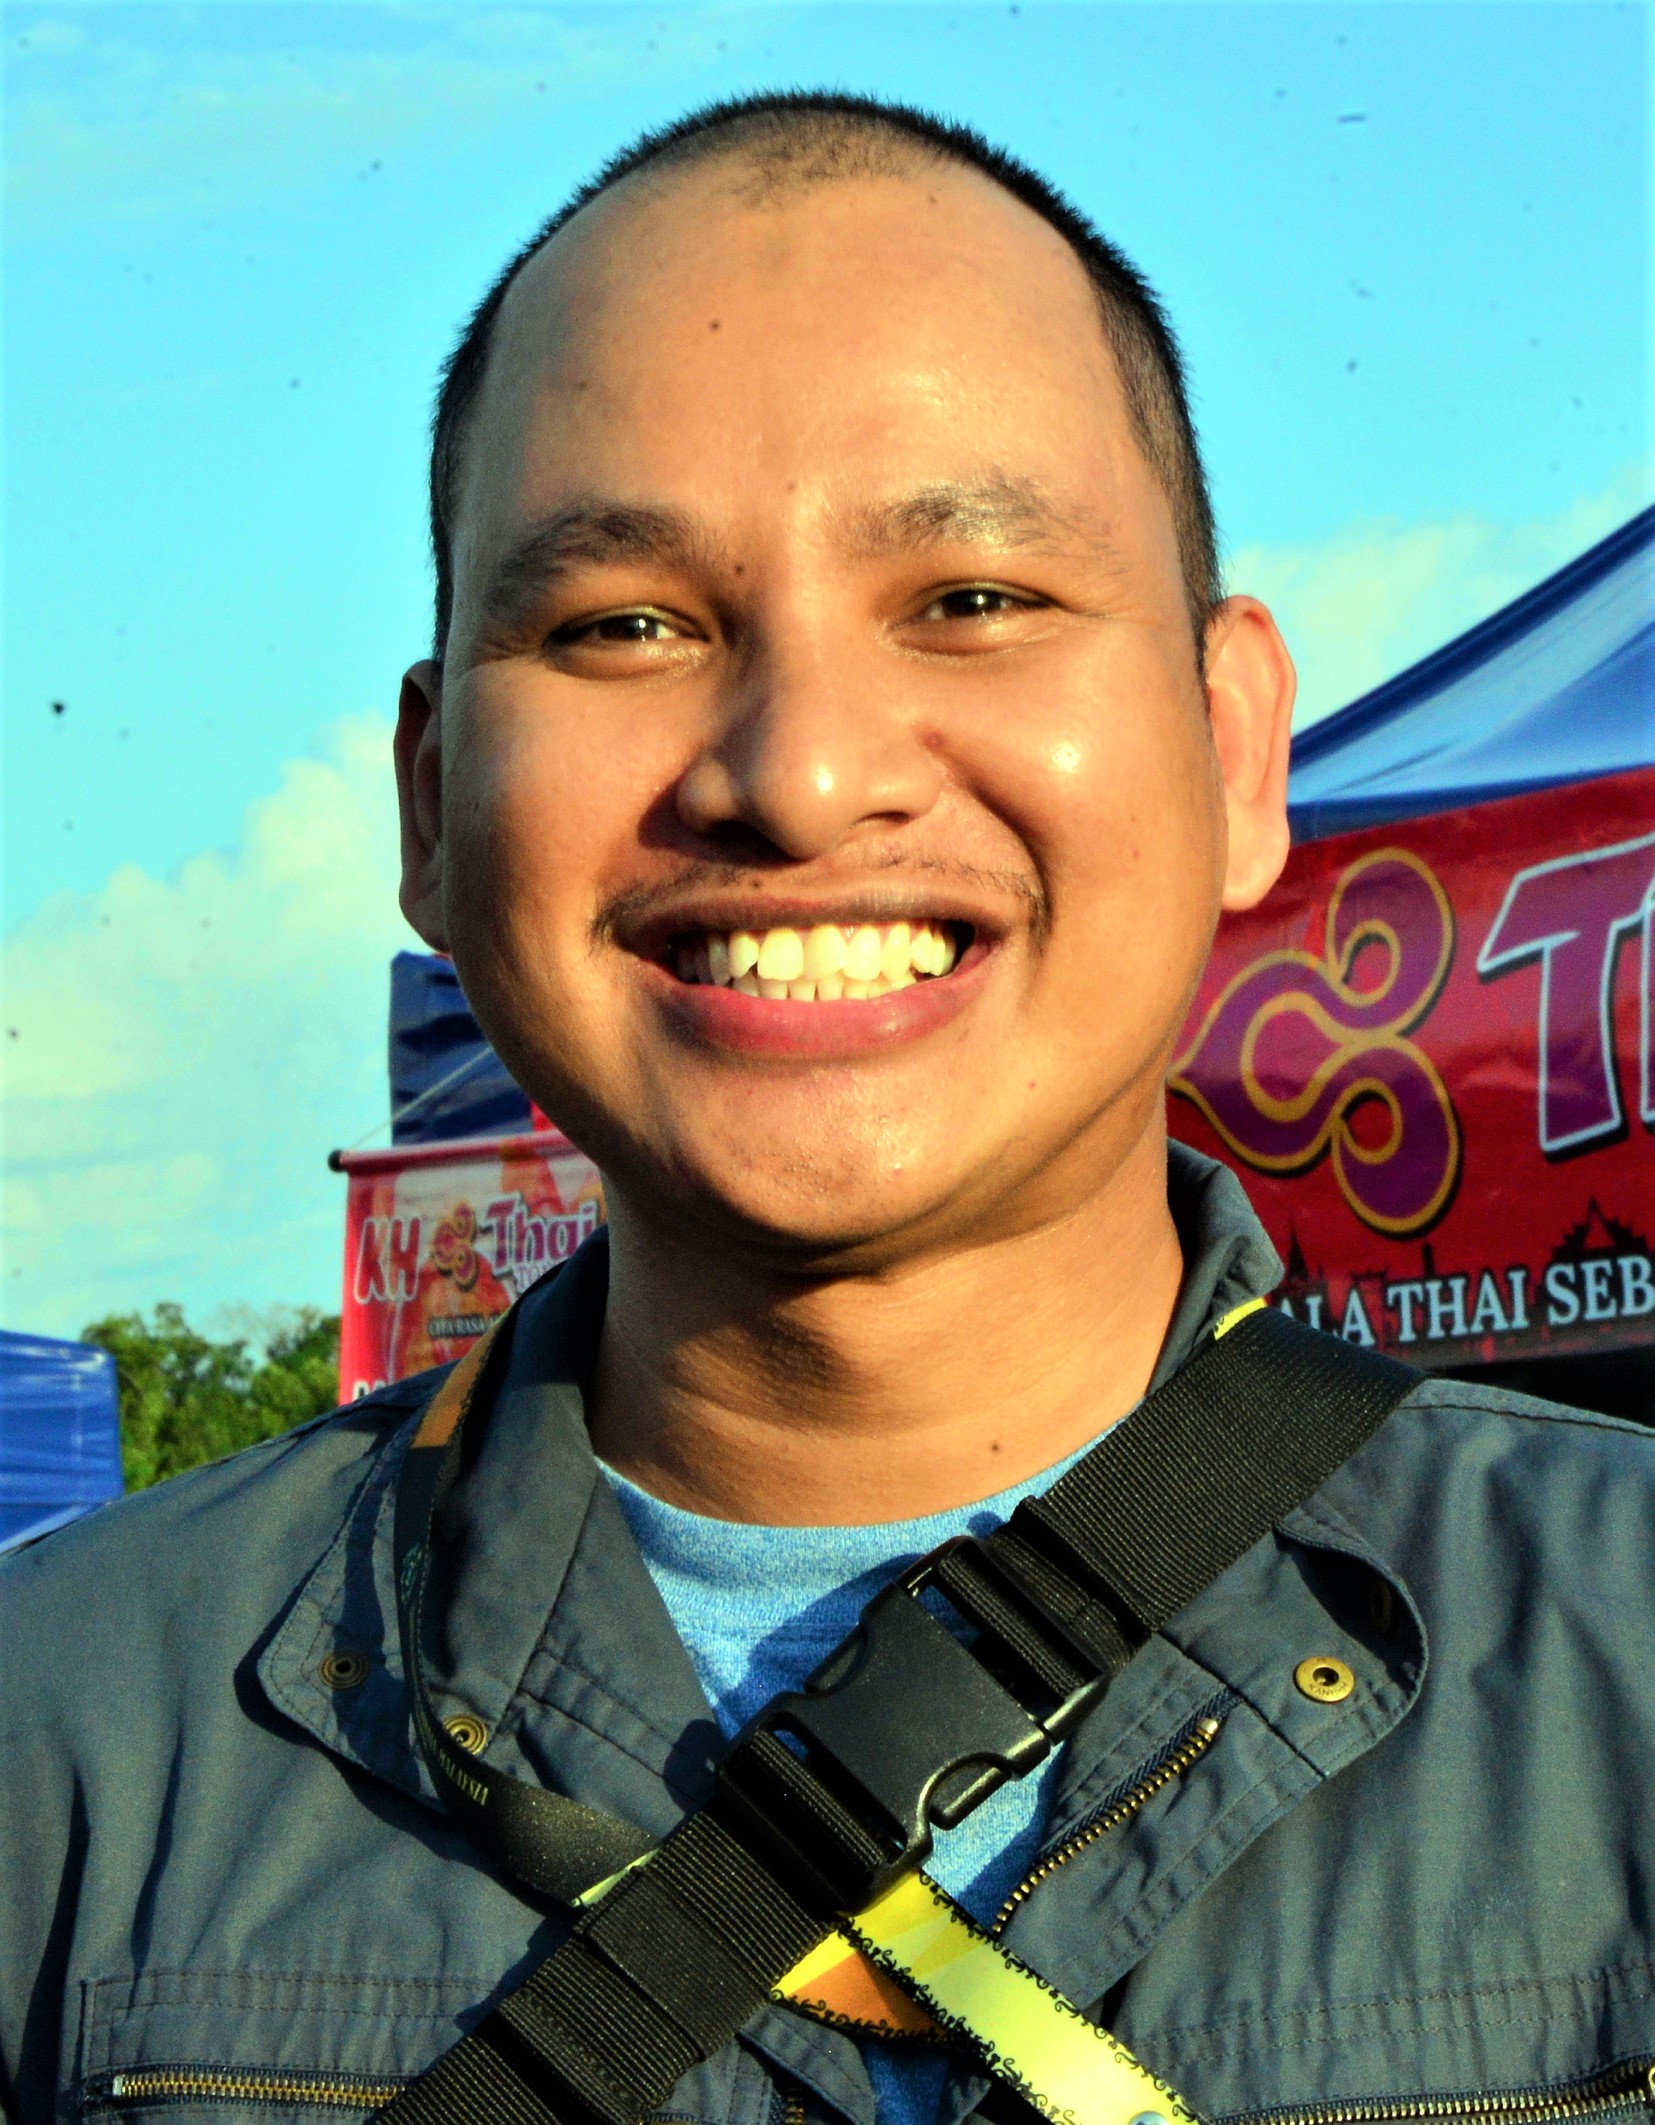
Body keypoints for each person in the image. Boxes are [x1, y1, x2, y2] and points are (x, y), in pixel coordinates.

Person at [3, 91, 1653, 2125]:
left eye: (972, 599)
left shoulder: (1623, 1661)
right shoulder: (65, 1754)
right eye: (621, 625)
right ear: (428, 806)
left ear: (1234, 747)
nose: (795, 776)